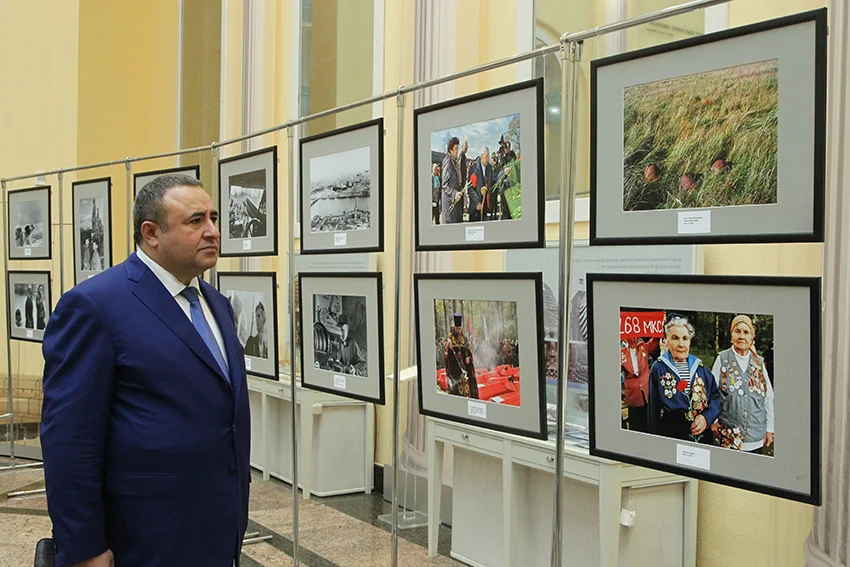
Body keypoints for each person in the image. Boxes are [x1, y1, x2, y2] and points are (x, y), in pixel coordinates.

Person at [40, 174, 250, 567]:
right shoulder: (94, 306)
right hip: (143, 535)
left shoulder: (216, 304)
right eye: (195, 221)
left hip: (216, 528)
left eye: (214, 218)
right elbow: (69, 441)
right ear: (151, 232)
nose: (212, 231)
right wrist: (84, 547)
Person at [647, 315, 720, 444]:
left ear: (690, 342)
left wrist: (706, 418)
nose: (681, 344)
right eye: (675, 338)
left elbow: (715, 398)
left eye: (685, 338)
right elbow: (653, 411)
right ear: (666, 340)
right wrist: (654, 442)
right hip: (671, 436)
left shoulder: (701, 368)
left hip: (701, 438)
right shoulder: (658, 368)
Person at [710, 315, 775, 454]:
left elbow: (769, 397)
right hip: (728, 436)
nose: (741, 336)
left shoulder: (759, 363)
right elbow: (712, 392)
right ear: (731, 335)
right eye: (737, 331)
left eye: (746, 332)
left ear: (752, 336)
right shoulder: (722, 359)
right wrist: (713, 420)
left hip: (756, 437)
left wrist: (770, 429)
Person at [621, 336, 659, 433]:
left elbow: (654, 342)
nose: (632, 339)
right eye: (630, 337)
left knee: (649, 419)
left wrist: (660, 325)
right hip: (633, 393)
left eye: (634, 337)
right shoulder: (621, 353)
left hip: (647, 390)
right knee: (635, 422)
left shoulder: (643, 347)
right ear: (625, 339)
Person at [467, 147, 511, 222]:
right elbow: (470, 188)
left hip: (484, 206)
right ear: (481, 156)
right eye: (487, 156)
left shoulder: (489, 167)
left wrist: (504, 172)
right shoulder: (474, 168)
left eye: (489, 156)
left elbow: (495, 176)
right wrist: (477, 202)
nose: (488, 159)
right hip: (476, 207)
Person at [444, 313, 479, 399]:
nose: (459, 330)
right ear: (455, 328)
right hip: (455, 371)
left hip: (465, 369)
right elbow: (446, 355)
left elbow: (467, 351)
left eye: (460, 329)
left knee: (467, 391)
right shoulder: (450, 339)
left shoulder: (464, 338)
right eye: (457, 329)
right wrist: (449, 349)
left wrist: (468, 358)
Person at [441, 137, 464, 224]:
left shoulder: (454, 161)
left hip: (455, 205)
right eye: (456, 148)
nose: (457, 151)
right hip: (449, 206)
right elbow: (444, 185)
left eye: (458, 148)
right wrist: (454, 193)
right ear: (450, 150)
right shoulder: (448, 162)